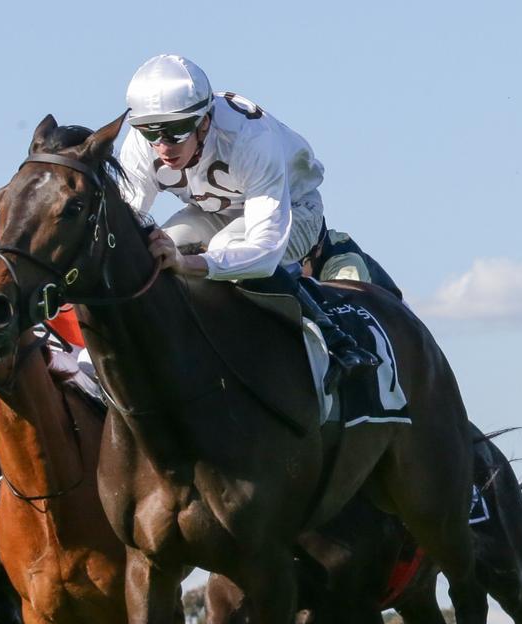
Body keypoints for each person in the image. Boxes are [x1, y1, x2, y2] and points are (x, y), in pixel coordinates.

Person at [119, 54, 382, 391]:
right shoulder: (142, 146)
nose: (163, 146)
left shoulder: (249, 137)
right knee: (157, 250)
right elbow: (126, 221)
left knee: (227, 251)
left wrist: (189, 263)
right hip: (213, 211)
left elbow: (263, 251)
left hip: (294, 209)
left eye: (176, 130)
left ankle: (336, 342)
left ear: (204, 121)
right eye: (149, 131)